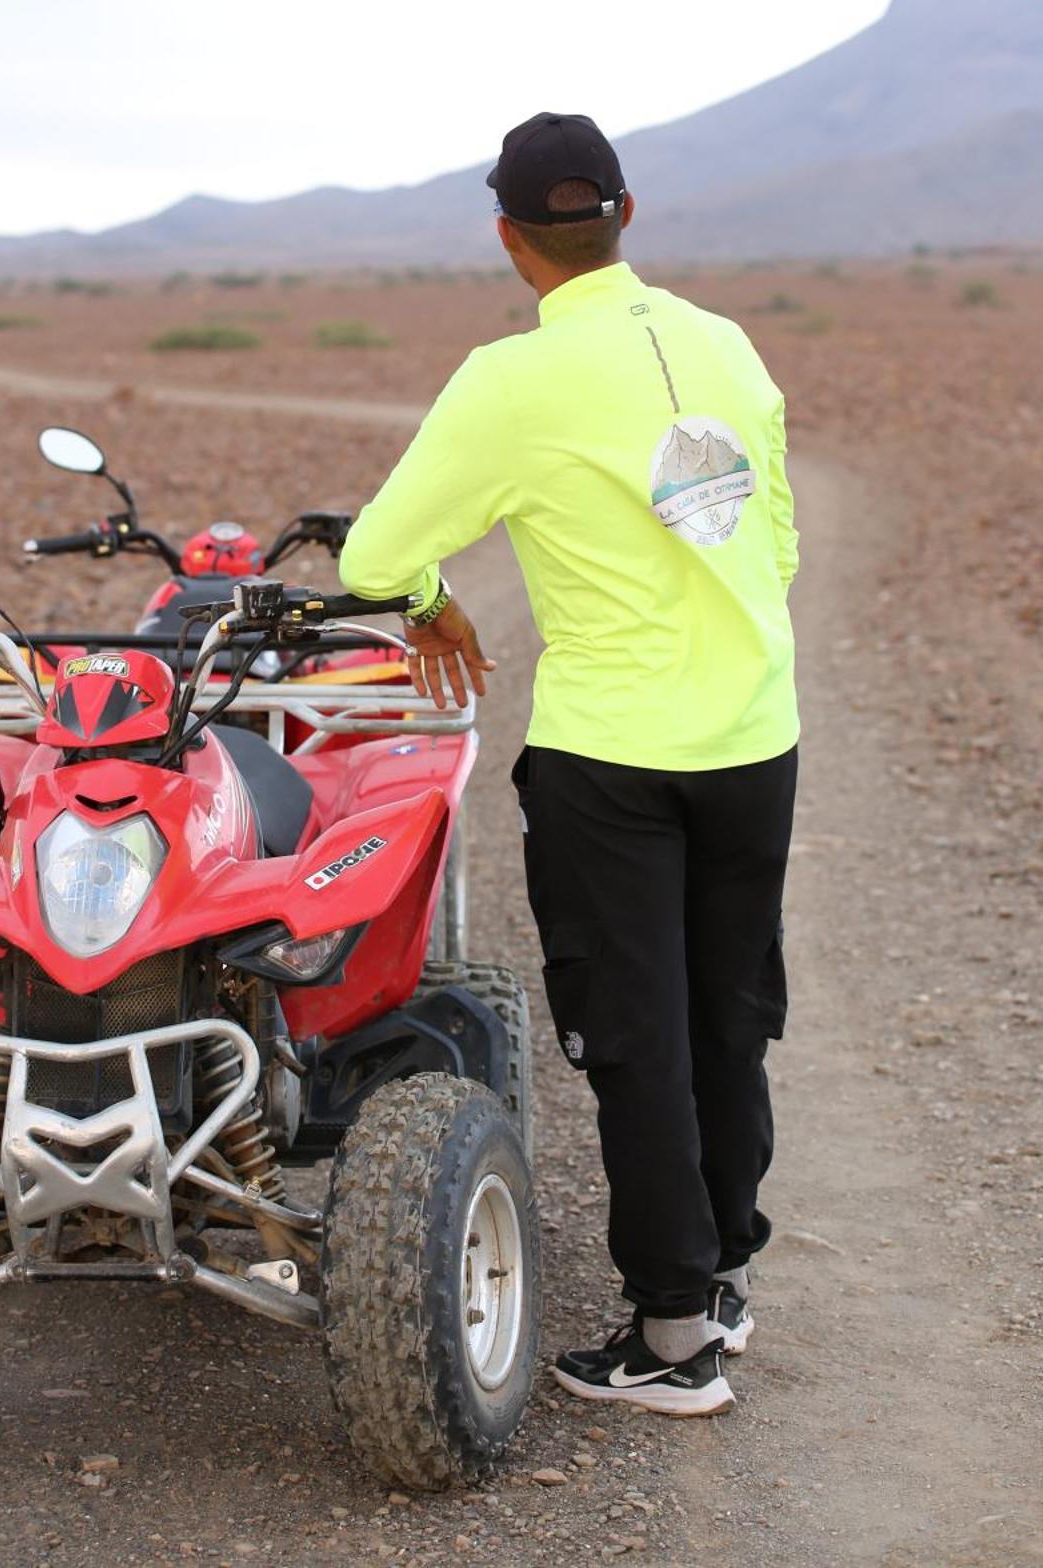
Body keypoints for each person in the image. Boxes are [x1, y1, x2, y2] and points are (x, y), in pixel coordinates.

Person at [338, 112, 798, 1416]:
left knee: (637, 1041)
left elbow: (373, 559)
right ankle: (721, 1279)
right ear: (626, 217)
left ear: (508, 237)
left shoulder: (509, 383)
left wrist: (429, 597)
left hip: (612, 761)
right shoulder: (725, 345)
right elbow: (775, 545)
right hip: (756, 739)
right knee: (731, 1016)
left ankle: (669, 1342)